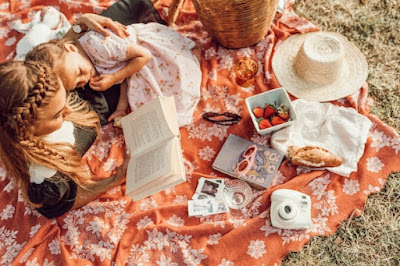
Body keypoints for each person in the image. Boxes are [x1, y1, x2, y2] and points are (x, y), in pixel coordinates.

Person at [0, 60, 129, 219]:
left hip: (102, 97)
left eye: (65, 97)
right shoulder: (47, 180)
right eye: (57, 115)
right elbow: (66, 203)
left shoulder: (39, 89)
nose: (68, 110)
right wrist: (115, 179)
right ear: (27, 131)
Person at [26, 21, 202, 126]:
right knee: (149, 106)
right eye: (79, 83)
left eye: (79, 73)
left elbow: (144, 55)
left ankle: (192, 55)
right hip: (133, 66)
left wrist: (113, 78)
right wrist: (120, 109)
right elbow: (124, 78)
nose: (85, 79)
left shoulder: (98, 44)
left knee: (178, 76)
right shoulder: (85, 62)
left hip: (146, 51)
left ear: (71, 48)